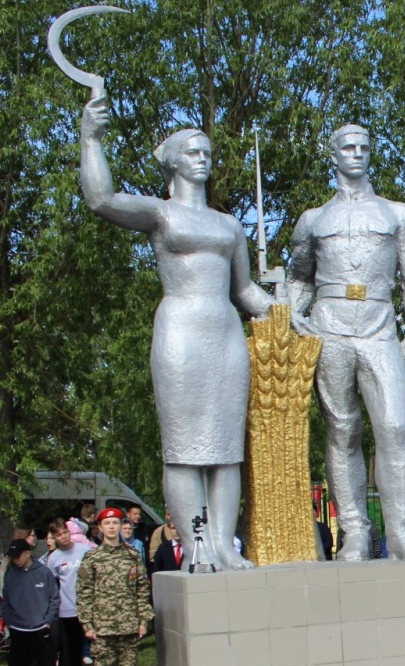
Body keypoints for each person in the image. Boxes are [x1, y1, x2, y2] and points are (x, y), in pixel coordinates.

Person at [80, 97, 271, 573]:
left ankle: (225, 544)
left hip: (225, 332)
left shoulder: (229, 224)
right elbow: (102, 200)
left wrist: (289, 313)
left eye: (206, 151)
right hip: (181, 331)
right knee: (186, 449)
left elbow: (245, 290)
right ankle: (197, 545)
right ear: (172, 162)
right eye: (192, 151)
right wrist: (91, 137)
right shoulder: (162, 214)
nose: (202, 157)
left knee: (226, 451)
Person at [287, 124, 405, 563]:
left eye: (364, 147)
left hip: (379, 325)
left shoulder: (398, 213)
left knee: (393, 426)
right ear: (332, 154)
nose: (357, 154)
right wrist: (292, 314)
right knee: (342, 430)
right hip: (329, 325)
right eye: (348, 147)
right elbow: (298, 275)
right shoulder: (313, 219)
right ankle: (353, 531)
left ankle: (403, 532)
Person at [76, 508, 153, 666]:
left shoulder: (132, 556)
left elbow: (142, 589)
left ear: (121, 526)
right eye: (107, 523)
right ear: (99, 528)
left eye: (115, 522)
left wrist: (143, 619)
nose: (111, 527)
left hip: (129, 625)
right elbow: (84, 592)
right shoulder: (93, 558)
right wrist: (87, 624)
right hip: (103, 627)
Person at [2, 539, 67, 666]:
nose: (15, 560)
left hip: (41, 627)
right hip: (18, 629)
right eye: (12, 557)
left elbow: (54, 598)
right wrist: (9, 621)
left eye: (17, 556)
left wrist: (47, 621)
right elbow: (5, 601)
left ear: (27, 553)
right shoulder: (10, 575)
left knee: (48, 665)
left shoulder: (44, 573)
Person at [43, 517, 93, 666]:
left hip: (90, 606)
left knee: (97, 643)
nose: (63, 537)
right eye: (59, 535)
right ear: (54, 537)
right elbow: (53, 584)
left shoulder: (85, 549)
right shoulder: (53, 558)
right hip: (67, 610)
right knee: (73, 647)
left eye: (65, 532)